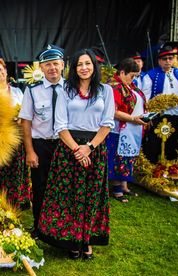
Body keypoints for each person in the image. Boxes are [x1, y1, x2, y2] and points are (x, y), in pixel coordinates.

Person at [38, 49, 115, 260]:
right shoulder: (66, 90)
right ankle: (71, 241)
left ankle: (87, 240)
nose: (84, 68)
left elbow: (107, 123)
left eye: (87, 63)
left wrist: (89, 147)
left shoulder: (105, 90)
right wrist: (77, 150)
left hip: (95, 148)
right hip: (69, 148)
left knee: (91, 196)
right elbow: (60, 125)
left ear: (94, 66)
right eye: (80, 64)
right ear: (74, 68)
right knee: (69, 196)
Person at [18, 44, 66, 237]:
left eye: (55, 64)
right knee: (40, 187)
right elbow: (26, 122)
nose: (52, 68)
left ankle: (62, 226)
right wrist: (30, 151)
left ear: (62, 65)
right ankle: (39, 227)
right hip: (41, 144)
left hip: (65, 144)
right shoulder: (32, 90)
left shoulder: (72, 88)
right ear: (41, 68)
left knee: (64, 186)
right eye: (48, 65)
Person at [0, 58, 32, 210]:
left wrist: (20, 118)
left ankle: (14, 205)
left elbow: (25, 112)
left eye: (1, 70)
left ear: (6, 72)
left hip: (17, 140)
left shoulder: (17, 91)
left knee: (15, 173)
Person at [107, 58, 148, 202]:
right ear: (122, 72)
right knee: (118, 158)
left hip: (132, 129)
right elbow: (113, 111)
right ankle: (117, 188)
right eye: (132, 76)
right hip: (118, 129)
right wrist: (132, 119)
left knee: (127, 158)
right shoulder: (114, 87)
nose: (134, 79)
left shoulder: (130, 86)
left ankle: (124, 185)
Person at [142, 44, 178, 163]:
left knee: (172, 144)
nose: (167, 61)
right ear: (159, 61)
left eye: (170, 58)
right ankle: (153, 171)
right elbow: (145, 98)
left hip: (176, 115)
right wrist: (148, 116)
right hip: (158, 116)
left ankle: (169, 170)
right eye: (164, 59)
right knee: (154, 144)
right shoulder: (151, 75)